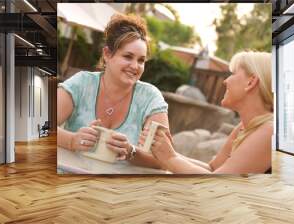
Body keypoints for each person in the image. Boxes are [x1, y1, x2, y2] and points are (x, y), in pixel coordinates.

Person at [57, 13, 169, 170]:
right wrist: (72, 140)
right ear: (107, 54)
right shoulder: (82, 84)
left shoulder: (150, 98)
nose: (135, 66)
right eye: (128, 56)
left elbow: (165, 159)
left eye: (141, 60)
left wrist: (131, 152)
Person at [147, 51, 273, 174]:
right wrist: (164, 151)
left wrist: (169, 158)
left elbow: (218, 185)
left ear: (251, 82)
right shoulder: (244, 127)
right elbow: (212, 168)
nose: (225, 81)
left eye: (233, 74)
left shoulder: (269, 131)